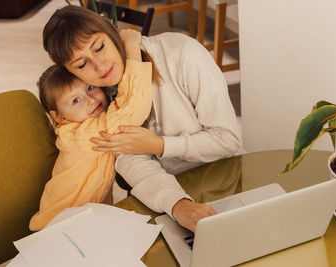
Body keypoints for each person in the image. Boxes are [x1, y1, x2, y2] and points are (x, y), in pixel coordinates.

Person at [42, 5, 242, 232]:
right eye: (81, 64)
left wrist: (160, 145)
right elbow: (131, 162)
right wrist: (178, 205)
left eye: (99, 47)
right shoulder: (96, 101)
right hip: (165, 204)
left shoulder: (182, 54)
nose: (100, 66)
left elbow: (228, 139)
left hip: (228, 183)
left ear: (110, 30)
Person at [29, 30, 162, 230]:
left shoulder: (87, 123)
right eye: (75, 100)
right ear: (58, 117)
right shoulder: (81, 136)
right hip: (57, 228)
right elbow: (132, 109)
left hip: (85, 222)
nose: (90, 100)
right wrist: (131, 49)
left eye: (90, 88)